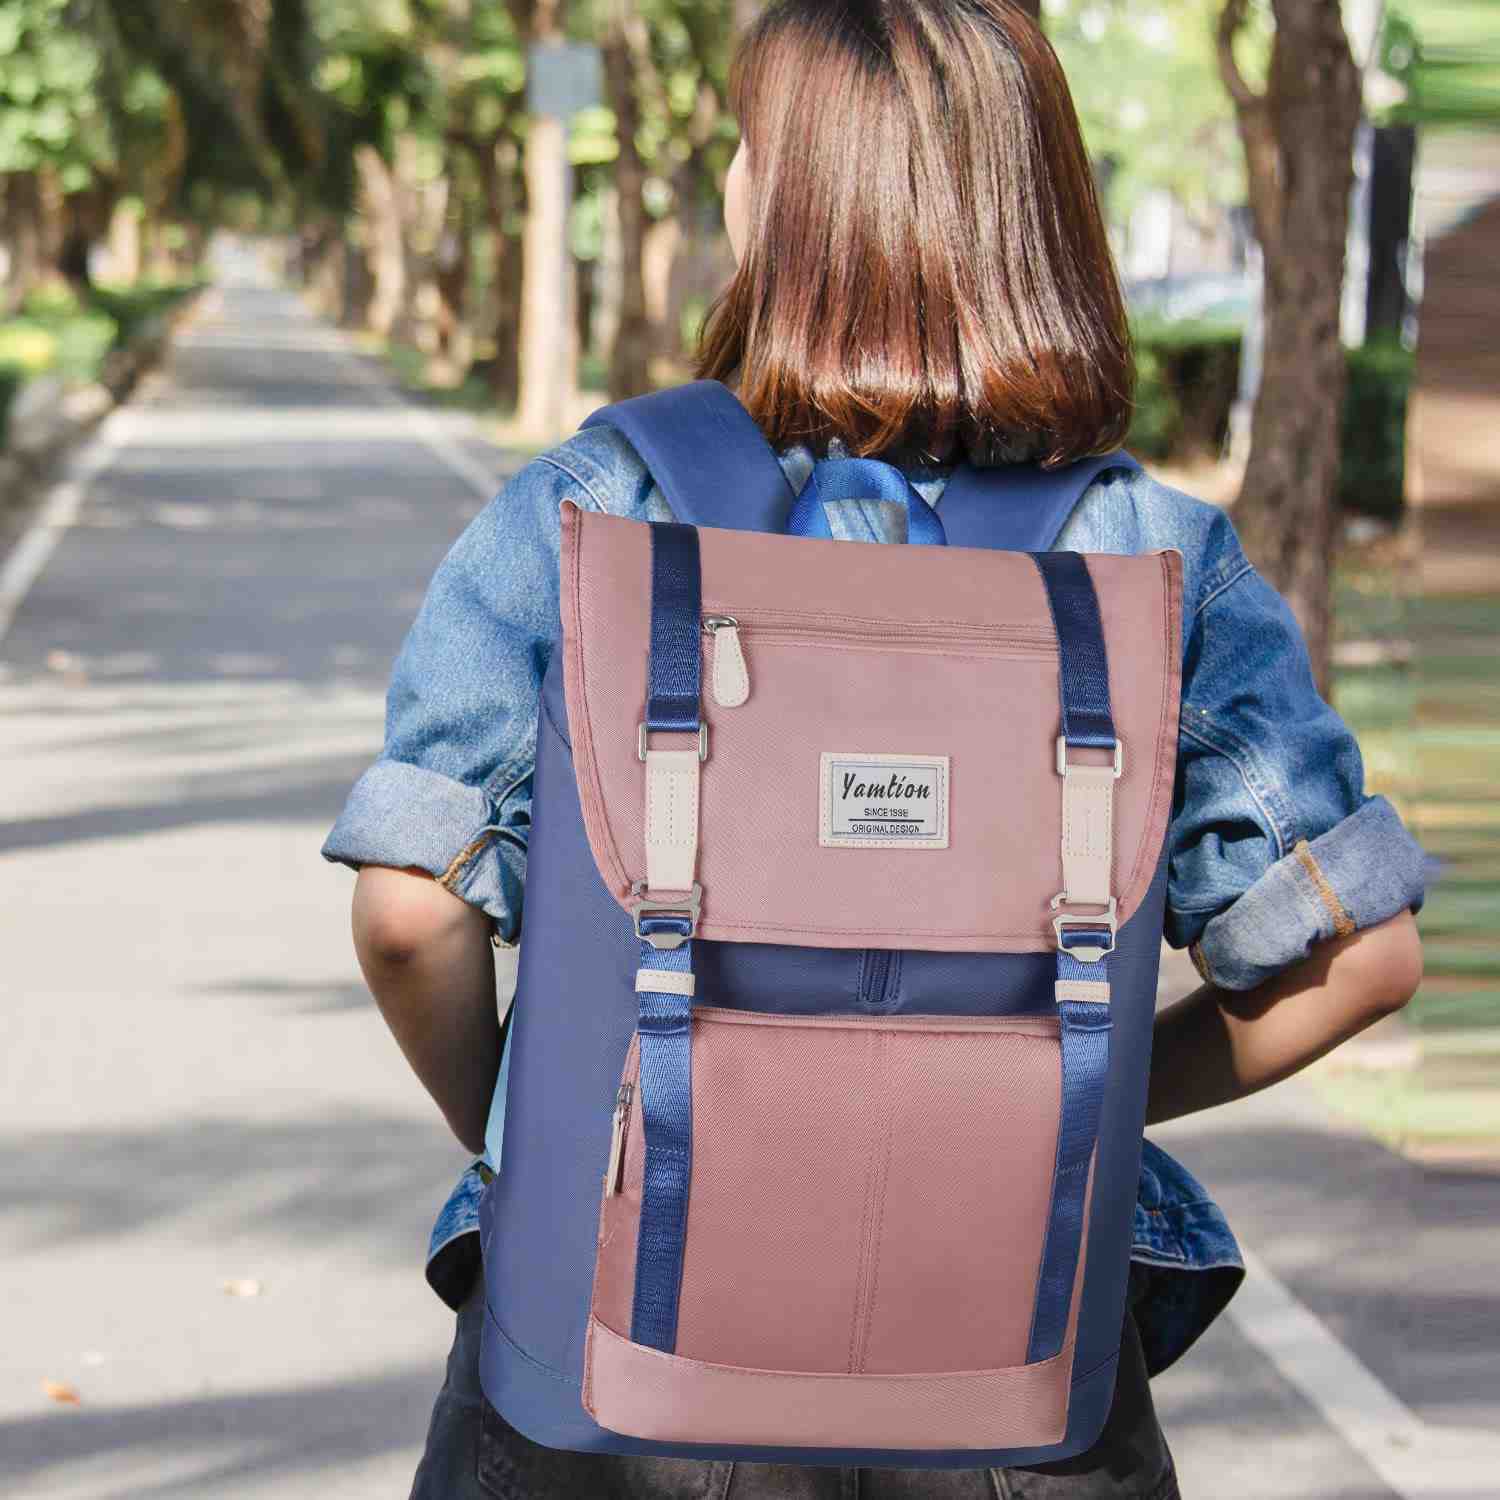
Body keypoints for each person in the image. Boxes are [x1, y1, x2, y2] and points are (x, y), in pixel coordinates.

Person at [321, 3, 1428, 1496]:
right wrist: (1044, 1091)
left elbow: (410, 912)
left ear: (783, 199)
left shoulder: (590, 512)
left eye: (741, 142)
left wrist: (550, 1120)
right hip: (1006, 1383)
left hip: (607, 1381)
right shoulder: (1151, 558)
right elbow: (1360, 955)